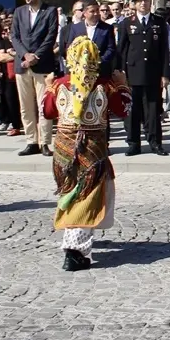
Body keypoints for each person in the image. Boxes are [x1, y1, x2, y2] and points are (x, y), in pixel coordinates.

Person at [41, 37, 131, 271]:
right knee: (87, 197)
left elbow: (47, 111)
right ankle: (75, 250)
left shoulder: (60, 84)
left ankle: (80, 239)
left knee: (73, 193)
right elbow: (124, 109)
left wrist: (48, 87)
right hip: (92, 153)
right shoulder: (105, 85)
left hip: (63, 152)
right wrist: (123, 85)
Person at [119, 0, 170, 156]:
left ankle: (155, 142)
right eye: (140, 1)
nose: (144, 3)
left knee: (153, 110)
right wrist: (121, 74)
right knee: (133, 111)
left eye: (146, 0)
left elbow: (163, 51)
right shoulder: (127, 23)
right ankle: (133, 143)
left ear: (150, 2)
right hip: (133, 73)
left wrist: (165, 74)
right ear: (135, 4)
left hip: (153, 73)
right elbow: (122, 50)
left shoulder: (159, 22)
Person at [11, 0, 58, 156]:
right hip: (22, 64)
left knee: (43, 105)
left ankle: (44, 142)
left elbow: (51, 36)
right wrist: (25, 55)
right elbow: (14, 36)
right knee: (25, 106)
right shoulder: (19, 12)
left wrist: (36, 56)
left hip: (42, 64)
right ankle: (31, 141)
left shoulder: (50, 11)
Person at [62, 0, 116, 78]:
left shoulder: (107, 28)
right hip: (79, 73)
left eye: (97, 10)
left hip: (100, 72)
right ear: (84, 13)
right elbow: (70, 47)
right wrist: (80, 62)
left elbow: (111, 48)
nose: (96, 13)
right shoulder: (75, 28)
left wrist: (97, 61)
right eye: (92, 11)